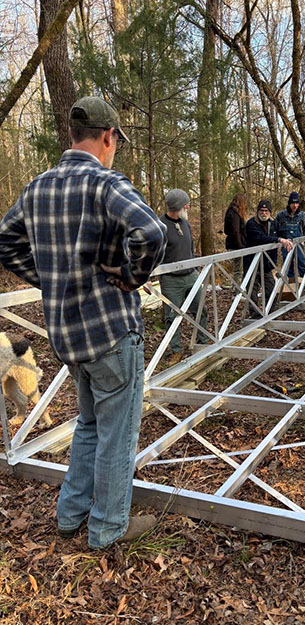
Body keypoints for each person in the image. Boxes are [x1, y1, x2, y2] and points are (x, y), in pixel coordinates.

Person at [0, 96, 168, 550]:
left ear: (72, 136)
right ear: (108, 136)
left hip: (67, 335)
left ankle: (69, 515)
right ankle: (107, 529)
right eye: (117, 140)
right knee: (117, 433)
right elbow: (153, 232)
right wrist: (131, 278)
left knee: (90, 425)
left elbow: (6, 242)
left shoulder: (37, 188)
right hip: (110, 332)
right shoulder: (106, 183)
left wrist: (49, 276)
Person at [159, 189, 209, 366]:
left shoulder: (185, 223)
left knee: (201, 310)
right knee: (172, 317)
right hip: (171, 280)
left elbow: (191, 248)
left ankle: (203, 344)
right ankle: (176, 351)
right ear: (176, 206)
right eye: (185, 204)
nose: (188, 206)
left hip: (191, 276)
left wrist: (195, 268)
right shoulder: (160, 225)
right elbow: (154, 253)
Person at [245, 199, 293, 318]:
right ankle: (255, 315)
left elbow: (282, 233)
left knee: (270, 288)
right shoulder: (251, 224)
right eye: (261, 210)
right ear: (257, 211)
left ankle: (269, 312)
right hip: (252, 263)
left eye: (266, 211)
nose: (264, 213)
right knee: (252, 290)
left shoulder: (273, 223)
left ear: (270, 212)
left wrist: (289, 239)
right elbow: (260, 238)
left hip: (266, 263)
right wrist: (278, 240)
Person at [275, 191, 305, 287]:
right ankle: (292, 286)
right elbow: (276, 230)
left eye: (297, 203)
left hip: (299, 243)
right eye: (293, 203)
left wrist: (304, 240)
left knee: (302, 264)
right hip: (286, 243)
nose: (295, 206)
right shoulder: (281, 215)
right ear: (289, 203)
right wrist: (280, 241)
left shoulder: (302, 215)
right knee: (288, 265)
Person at [223, 193, 247, 286]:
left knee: (238, 269)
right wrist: (240, 246)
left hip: (233, 243)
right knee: (238, 270)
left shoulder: (230, 212)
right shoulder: (235, 214)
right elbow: (235, 231)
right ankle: (237, 292)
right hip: (236, 245)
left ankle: (237, 289)